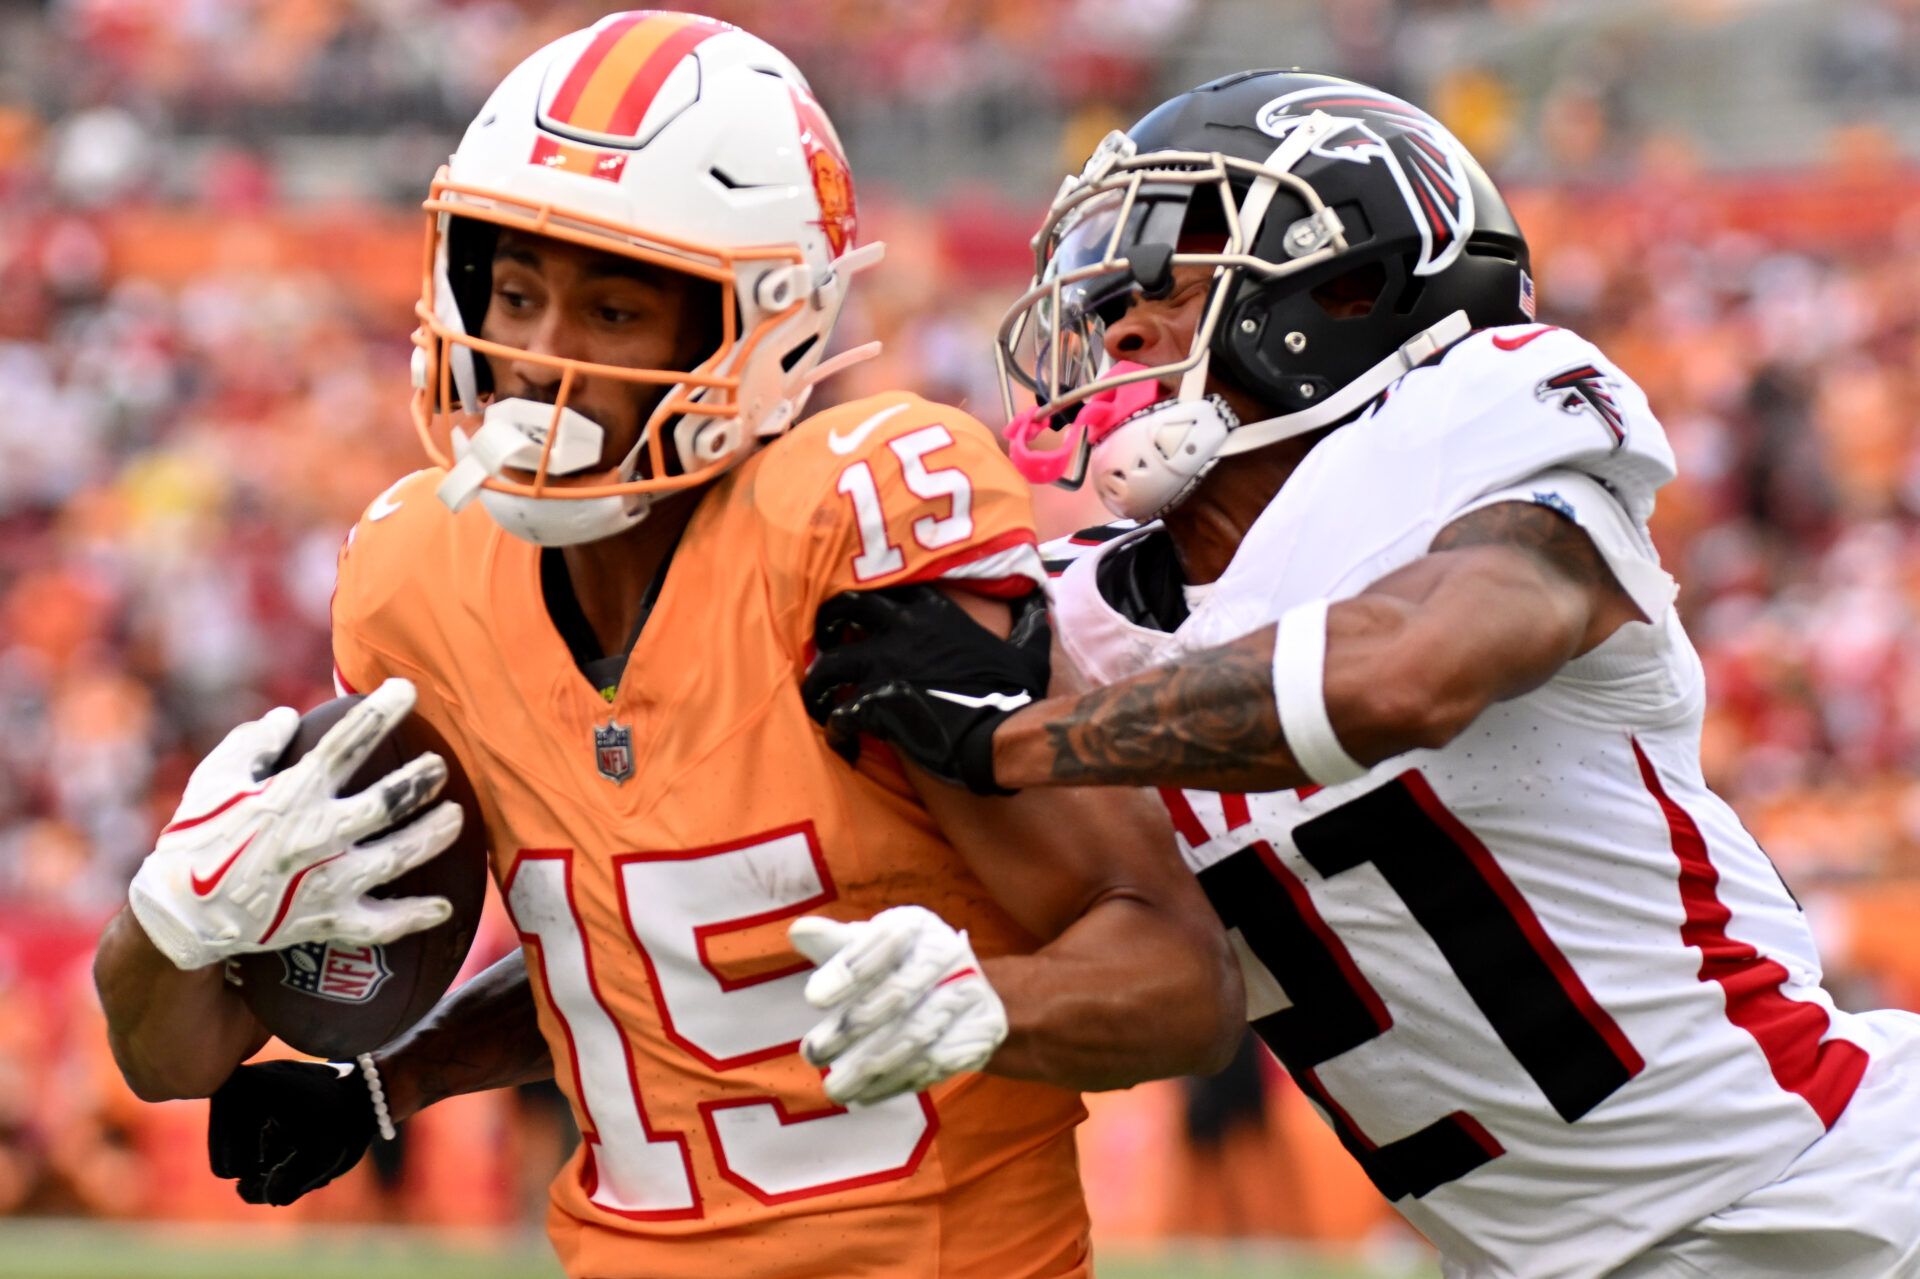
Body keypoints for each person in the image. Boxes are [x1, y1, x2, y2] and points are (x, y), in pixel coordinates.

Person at [90, 15, 1241, 1279]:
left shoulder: (846, 536)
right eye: (514, 292)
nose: (535, 359)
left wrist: (987, 1003)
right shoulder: (418, 580)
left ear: (761, 326)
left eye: (615, 307)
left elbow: (1179, 982)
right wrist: (177, 920)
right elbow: (183, 1056)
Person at [794, 71, 1920, 1279]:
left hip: (1825, 1195)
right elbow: (1174, 983)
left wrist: (1016, 743)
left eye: (1170, 283)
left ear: (1348, 287)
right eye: (1112, 292)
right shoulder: (1080, 611)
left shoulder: (1483, 446)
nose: (1116, 326)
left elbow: (1405, 676)